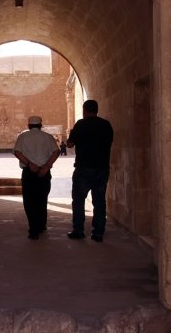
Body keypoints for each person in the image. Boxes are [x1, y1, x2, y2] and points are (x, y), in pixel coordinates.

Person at [66, 100, 114, 242]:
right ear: (97, 110)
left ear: (84, 110)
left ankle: (78, 230)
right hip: (102, 168)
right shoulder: (106, 125)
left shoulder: (81, 124)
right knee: (99, 200)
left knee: (79, 200)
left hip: (84, 168)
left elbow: (69, 144)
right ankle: (98, 233)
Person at [13, 116, 60, 240]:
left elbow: (17, 152)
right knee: (42, 198)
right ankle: (41, 225)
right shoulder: (48, 137)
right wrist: (46, 167)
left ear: (29, 126)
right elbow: (56, 152)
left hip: (29, 172)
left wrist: (29, 164)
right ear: (41, 125)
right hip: (44, 172)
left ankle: (33, 229)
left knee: (29, 201)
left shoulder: (22, 137)